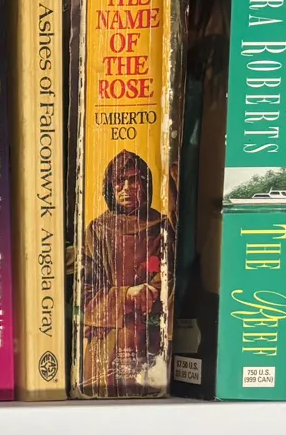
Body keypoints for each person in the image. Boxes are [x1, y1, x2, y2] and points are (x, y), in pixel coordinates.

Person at [78, 149, 172, 396]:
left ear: (145, 184)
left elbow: (170, 278)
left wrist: (151, 291)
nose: (127, 188)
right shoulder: (97, 230)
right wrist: (126, 295)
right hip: (106, 343)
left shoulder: (161, 227)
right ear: (110, 186)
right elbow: (84, 290)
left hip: (149, 340)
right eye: (120, 181)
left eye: (134, 179)